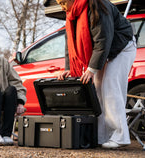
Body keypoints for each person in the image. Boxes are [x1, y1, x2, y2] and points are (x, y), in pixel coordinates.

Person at [56, 0, 137, 148]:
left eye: (63, 2)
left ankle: (120, 137)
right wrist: (69, 68)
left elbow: (103, 39)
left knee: (110, 86)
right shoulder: (71, 15)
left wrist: (91, 69)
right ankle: (101, 137)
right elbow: (70, 45)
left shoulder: (98, 6)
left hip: (122, 47)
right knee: (97, 91)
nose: (62, 7)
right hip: (105, 52)